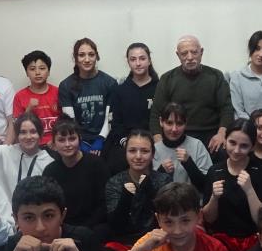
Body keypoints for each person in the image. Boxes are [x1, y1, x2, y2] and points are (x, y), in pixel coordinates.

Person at [149, 35, 233, 155]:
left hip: (211, 135)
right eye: (184, 53)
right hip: (177, 134)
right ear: (178, 55)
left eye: (194, 52)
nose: (190, 57)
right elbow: (156, 113)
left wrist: (221, 134)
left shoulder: (216, 76)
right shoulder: (167, 79)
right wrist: (159, 143)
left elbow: (226, 109)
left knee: (223, 152)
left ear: (201, 52)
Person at [203, 119, 262, 251]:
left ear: (252, 147)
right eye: (232, 143)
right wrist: (214, 198)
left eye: (244, 146)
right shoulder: (215, 171)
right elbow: (209, 219)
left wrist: (249, 190)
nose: (236, 150)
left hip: (252, 240)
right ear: (225, 141)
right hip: (220, 241)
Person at [42, 115, 110, 242]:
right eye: (61, 140)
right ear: (54, 144)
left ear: (80, 140)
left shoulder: (97, 164)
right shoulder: (50, 171)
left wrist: (83, 230)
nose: (67, 144)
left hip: (94, 227)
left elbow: (104, 204)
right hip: (63, 228)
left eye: (72, 138)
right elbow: (50, 206)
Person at [104, 129, 172, 251]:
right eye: (132, 151)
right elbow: (115, 225)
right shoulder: (115, 182)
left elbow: (168, 218)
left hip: (157, 242)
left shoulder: (164, 180)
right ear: (125, 153)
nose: (138, 156)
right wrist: (126, 198)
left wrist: (150, 191)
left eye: (145, 151)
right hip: (124, 243)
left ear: (153, 154)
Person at [107, 42, 160, 173]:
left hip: (154, 144)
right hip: (126, 143)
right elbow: (116, 124)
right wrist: (127, 143)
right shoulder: (120, 90)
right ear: (128, 62)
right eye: (133, 59)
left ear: (149, 61)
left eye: (142, 58)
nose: (138, 63)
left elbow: (163, 120)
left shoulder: (160, 88)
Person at [58, 38, 117, 154]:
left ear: (97, 57)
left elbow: (109, 118)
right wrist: (79, 142)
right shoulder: (66, 85)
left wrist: (100, 139)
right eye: (81, 55)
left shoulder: (110, 83)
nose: (87, 59)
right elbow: (70, 121)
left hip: (105, 138)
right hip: (77, 141)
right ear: (75, 58)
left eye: (91, 54)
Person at [0, 112, 54, 199]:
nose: (28, 137)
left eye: (33, 132)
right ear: (17, 135)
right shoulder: (1, 153)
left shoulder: (49, 163)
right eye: (23, 132)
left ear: (40, 134)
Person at [153, 102, 213, 189]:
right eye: (169, 123)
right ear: (161, 122)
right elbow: (150, 190)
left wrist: (189, 163)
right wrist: (161, 172)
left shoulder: (197, 145)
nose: (174, 129)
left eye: (179, 123)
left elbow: (207, 185)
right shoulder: (154, 149)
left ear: (186, 123)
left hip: (192, 197)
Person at [13, 50, 60, 146]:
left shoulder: (59, 92)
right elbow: (17, 129)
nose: (37, 72)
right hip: (32, 146)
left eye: (42, 68)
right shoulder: (19, 96)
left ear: (48, 72)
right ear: (26, 72)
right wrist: (28, 110)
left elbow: (67, 122)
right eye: (32, 69)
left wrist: (56, 141)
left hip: (57, 144)